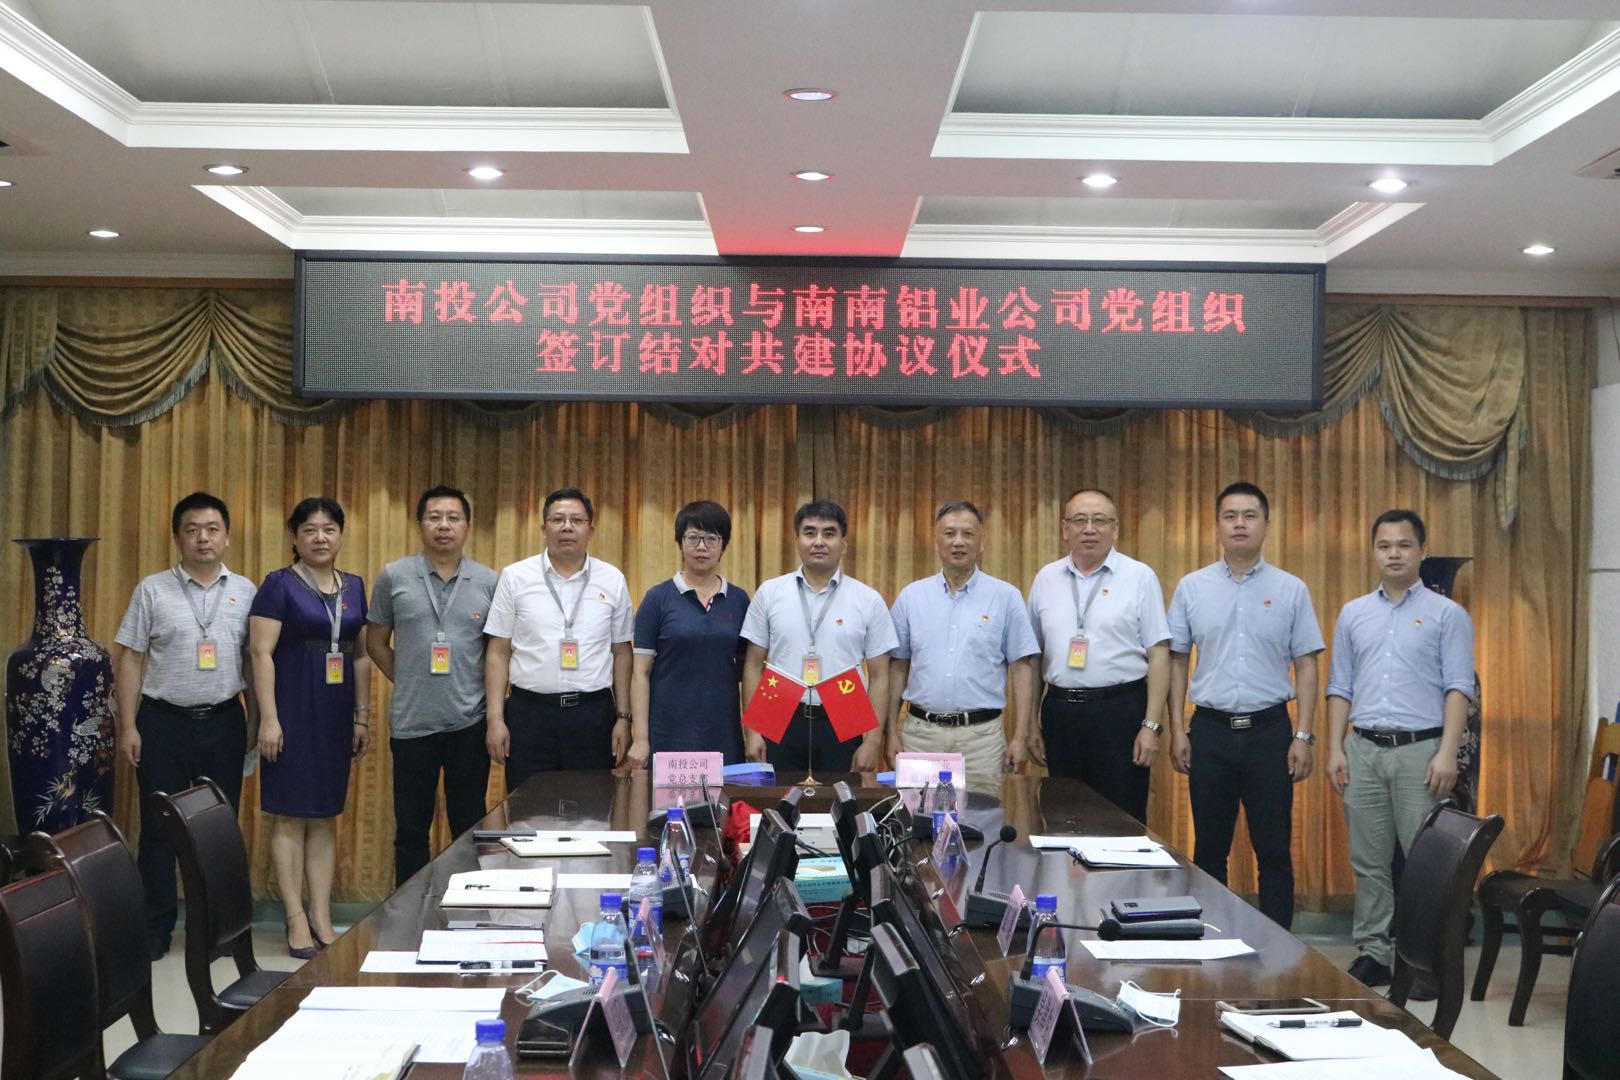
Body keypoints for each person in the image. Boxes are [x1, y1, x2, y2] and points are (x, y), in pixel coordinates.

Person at [1326, 508, 1474, 993]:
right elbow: (1340, 687)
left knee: (1425, 865)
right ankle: (1375, 953)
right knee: (1368, 861)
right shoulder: (1353, 614)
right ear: (1374, 552)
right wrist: (1335, 748)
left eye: (1404, 545)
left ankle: (1427, 962)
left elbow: (1459, 687)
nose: (1394, 554)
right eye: (1385, 545)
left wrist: (1447, 753)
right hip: (1363, 750)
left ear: (1422, 551)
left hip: (1421, 752)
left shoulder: (1447, 615)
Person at [1167, 482, 1324, 928]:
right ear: (1217, 525)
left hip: (1269, 733)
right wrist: (1177, 729)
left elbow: (1307, 665)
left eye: (1250, 515)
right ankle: (1212, 940)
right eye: (1230, 516)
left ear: (1266, 525)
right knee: (1208, 849)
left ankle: (1280, 947)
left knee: (1273, 849)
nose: (1240, 524)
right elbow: (1176, 660)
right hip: (1210, 731)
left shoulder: (1291, 589)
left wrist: (1303, 735)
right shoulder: (1192, 587)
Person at [113, 491, 258, 961]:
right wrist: (128, 725)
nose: (203, 538)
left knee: (217, 831)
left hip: (224, 720)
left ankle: (215, 929)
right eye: (192, 530)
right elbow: (131, 658)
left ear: (227, 536)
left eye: (212, 529)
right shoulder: (152, 589)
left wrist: (256, 720)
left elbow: (254, 661)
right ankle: (156, 929)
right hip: (162, 723)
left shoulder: (246, 591)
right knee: (158, 831)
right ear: (178, 538)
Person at [250, 497, 371, 959]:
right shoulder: (278, 584)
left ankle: (321, 914)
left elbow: (361, 655)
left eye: (329, 529)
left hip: (335, 712)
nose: (320, 538)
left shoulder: (355, 586)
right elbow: (260, 653)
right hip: (292, 709)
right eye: (310, 530)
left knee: (324, 815)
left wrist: (362, 716)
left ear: (340, 534)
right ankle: (295, 917)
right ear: (295, 537)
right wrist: (269, 718)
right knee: (290, 814)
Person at [366, 485, 498, 886]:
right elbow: (375, 642)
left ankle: (469, 908)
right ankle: (410, 912)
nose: (444, 526)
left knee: (468, 825)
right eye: (434, 517)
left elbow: (496, 652)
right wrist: (408, 678)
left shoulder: (489, 581)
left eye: (453, 518)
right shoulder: (394, 575)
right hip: (412, 724)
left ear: (467, 526)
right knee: (411, 830)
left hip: (469, 722)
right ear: (420, 524)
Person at [1026, 488, 1171, 823]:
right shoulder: (1046, 578)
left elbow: (1159, 654)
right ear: (1065, 529)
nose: (1089, 528)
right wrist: (1031, 723)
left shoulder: (1139, 577)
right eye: (1080, 520)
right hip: (1061, 713)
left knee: (1122, 819)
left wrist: (1151, 726)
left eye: (1099, 520)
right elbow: (1033, 658)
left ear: (1115, 528)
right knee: (1063, 816)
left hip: (1120, 712)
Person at [484, 487, 633, 789]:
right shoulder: (515, 577)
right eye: (558, 520)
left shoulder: (612, 579)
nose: (567, 527)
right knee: (528, 810)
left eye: (576, 520)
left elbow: (622, 652)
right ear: (544, 529)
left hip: (592, 716)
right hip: (529, 715)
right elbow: (498, 652)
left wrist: (623, 717)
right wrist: (495, 719)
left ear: (591, 530)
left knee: (593, 806)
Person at [885, 501, 1041, 786]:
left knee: (982, 813)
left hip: (981, 740)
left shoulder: (1005, 597)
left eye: (968, 534)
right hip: (921, 736)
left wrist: (1020, 737)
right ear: (936, 540)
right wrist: (890, 732)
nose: (958, 542)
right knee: (919, 813)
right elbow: (897, 668)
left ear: (982, 541)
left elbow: (1022, 669)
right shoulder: (911, 597)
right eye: (949, 533)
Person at [741, 499, 896, 773]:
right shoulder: (770, 592)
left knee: (841, 799)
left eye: (829, 533)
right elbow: (753, 664)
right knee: (778, 799)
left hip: (844, 715)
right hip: (778, 712)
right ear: (797, 540)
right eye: (810, 533)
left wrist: (872, 741)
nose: (819, 542)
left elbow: (880, 676)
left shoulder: (868, 600)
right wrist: (752, 732)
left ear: (843, 544)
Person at [628, 500, 751, 767]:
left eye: (711, 539)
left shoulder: (739, 600)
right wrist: (640, 738)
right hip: (668, 730)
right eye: (693, 537)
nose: (702, 547)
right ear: (680, 543)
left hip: (723, 730)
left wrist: (753, 733)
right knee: (669, 796)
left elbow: (749, 669)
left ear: (723, 546)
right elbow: (640, 673)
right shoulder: (657, 598)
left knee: (723, 795)